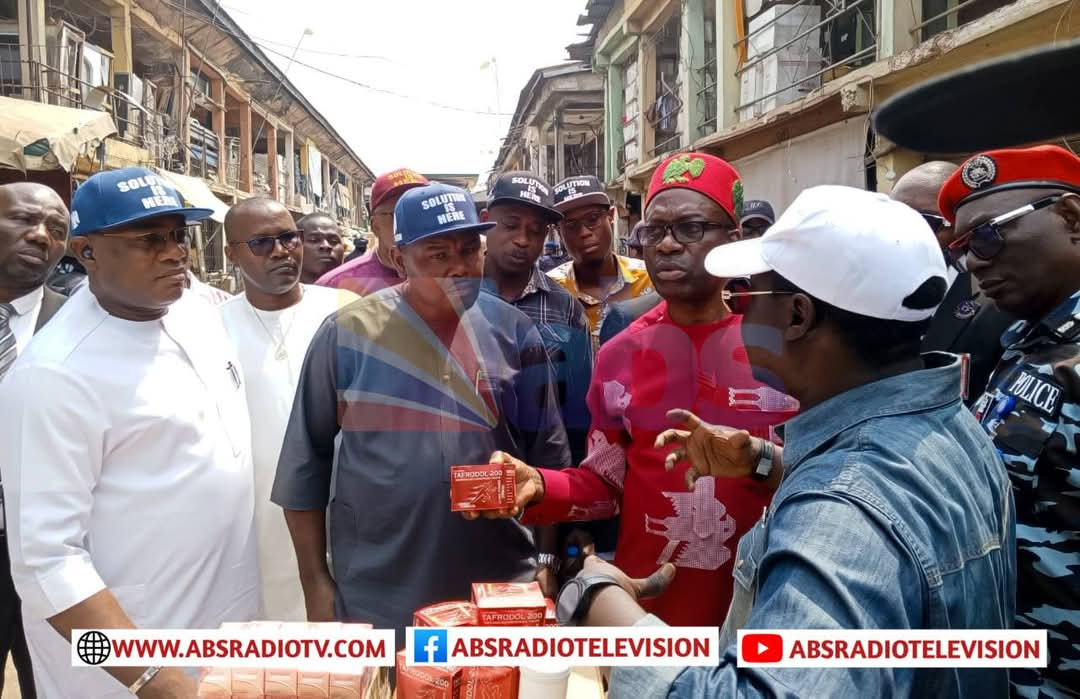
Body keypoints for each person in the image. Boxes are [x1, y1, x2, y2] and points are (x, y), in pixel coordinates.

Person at [556, 185, 1015, 698]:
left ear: (797, 316)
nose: (738, 310)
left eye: (748, 294)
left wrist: (601, 602)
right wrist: (766, 464)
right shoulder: (959, 430)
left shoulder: (841, 512)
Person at [476, 154, 799, 628]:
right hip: (645, 610)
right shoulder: (620, 352)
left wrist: (759, 458)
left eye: (689, 228)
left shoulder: (785, 344)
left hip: (768, 609)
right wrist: (542, 485)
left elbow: (827, 478)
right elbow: (605, 485)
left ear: (733, 241)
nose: (667, 245)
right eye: (655, 231)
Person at [272, 182, 570, 644]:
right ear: (398, 259)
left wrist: (546, 566)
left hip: (497, 587)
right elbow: (303, 468)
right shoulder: (347, 335)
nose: (459, 268)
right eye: (437, 254)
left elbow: (549, 460)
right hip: (382, 593)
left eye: (469, 250)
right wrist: (316, 586)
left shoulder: (514, 331)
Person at [0, 167, 259, 698]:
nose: (174, 253)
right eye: (148, 240)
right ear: (87, 251)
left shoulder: (195, 314)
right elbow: (47, 561)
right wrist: (149, 676)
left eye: (177, 236)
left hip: (226, 622)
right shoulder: (55, 375)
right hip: (127, 660)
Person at [941, 145, 1080, 698]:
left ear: (1071, 218)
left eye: (988, 236)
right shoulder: (1028, 345)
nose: (973, 262)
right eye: (961, 248)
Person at [219, 198, 356, 622]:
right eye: (261, 243)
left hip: (341, 510)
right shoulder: (212, 327)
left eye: (288, 238)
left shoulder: (346, 309)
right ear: (232, 254)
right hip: (252, 519)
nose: (281, 251)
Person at [0, 182, 71, 699]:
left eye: (57, 230)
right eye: (25, 220)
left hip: (53, 553)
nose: (41, 235)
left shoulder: (85, 325)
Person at [481, 172, 592, 460]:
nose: (522, 240)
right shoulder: (453, 299)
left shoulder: (565, 309)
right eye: (510, 225)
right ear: (485, 220)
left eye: (536, 230)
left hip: (540, 481)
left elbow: (580, 410)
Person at [891, 161, 1015, 401]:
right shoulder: (862, 290)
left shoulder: (1002, 300)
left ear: (963, 226)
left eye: (926, 222)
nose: (902, 234)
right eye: (893, 219)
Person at [549, 175, 653, 353]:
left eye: (592, 219)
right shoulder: (549, 291)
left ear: (610, 216)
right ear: (559, 231)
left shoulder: (650, 279)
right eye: (571, 225)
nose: (583, 233)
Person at [315, 168, 428, 295]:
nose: (413, 222)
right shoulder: (337, 286)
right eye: (398, 215)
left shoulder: (450, 276)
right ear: (375, 226)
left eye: (422, 212)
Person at [297, 212, 345, 283]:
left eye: (334, 241)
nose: (326, 246)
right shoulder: (278, 292)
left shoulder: (359, 290)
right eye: (314, 240)